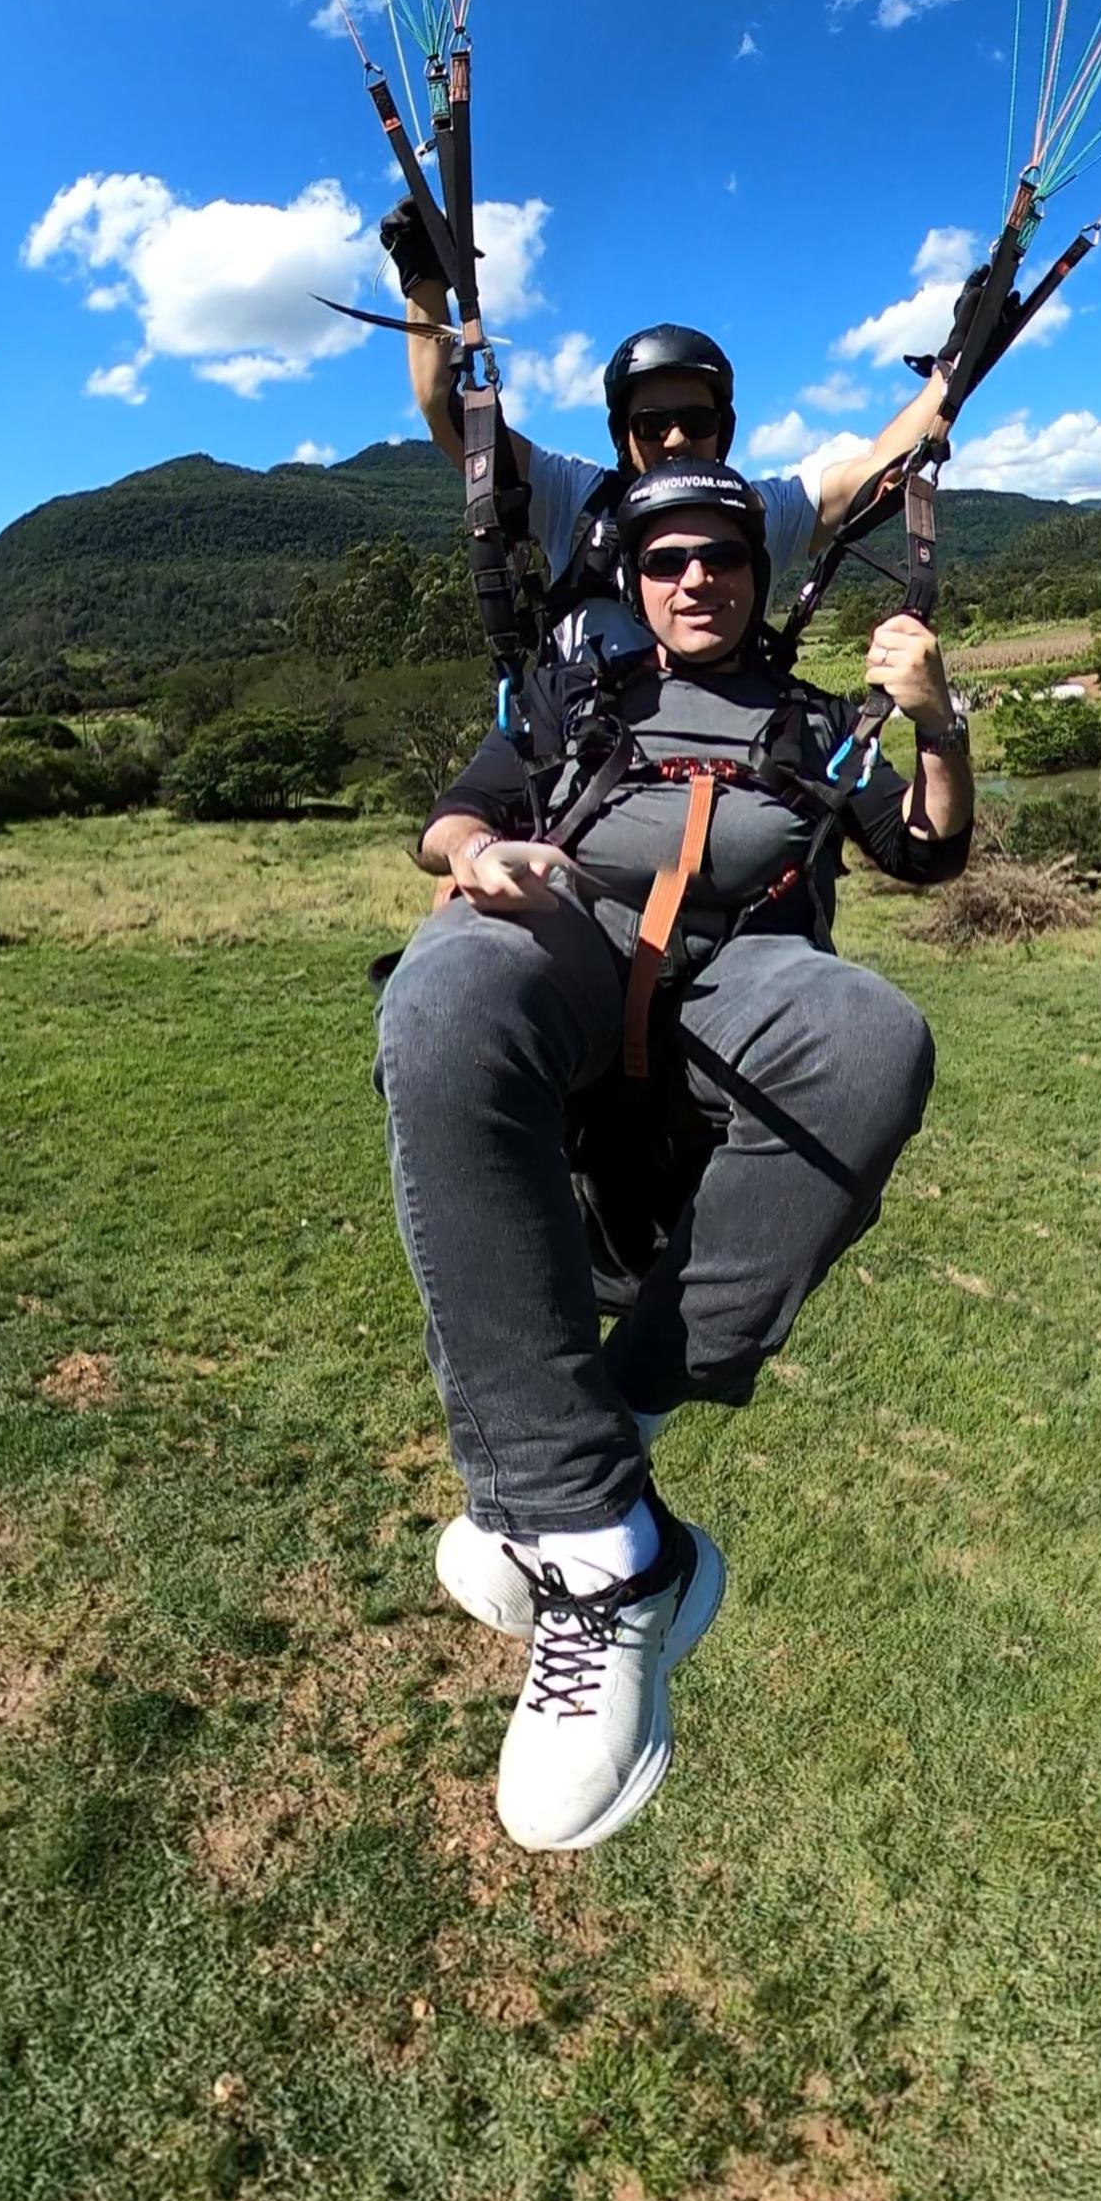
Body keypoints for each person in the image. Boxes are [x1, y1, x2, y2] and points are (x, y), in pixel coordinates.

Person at [375, 460, 973, 1855]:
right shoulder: (572, 701)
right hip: (574, 932)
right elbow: (452, 817)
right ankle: (604, 1546)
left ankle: (607, 1442)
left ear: (759, 580)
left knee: (876, 1035)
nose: (696, 576)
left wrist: (937, 727)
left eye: (724, 557)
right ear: (633, 584)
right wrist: (477, 861)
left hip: (748, 968)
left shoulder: (823, 722)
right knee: (444, 992)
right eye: (667, 561)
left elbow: (930, 858)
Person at [377, 197, 947, 658]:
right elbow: (454, 419)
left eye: (695, 421)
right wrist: (426, 282)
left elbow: (882, 467)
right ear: (623, 435)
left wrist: (952, 372)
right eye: (651, 424)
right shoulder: (572, 500)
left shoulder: (757, 513)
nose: (675, 439)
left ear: (722, 429)